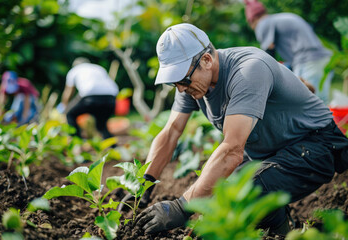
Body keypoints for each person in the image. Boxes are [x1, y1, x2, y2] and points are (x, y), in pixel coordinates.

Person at [134, 23, 348, 235]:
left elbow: (232, 150)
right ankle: (278, 221)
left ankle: (279, 231)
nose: (180, 88)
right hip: (271, 154)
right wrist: (144, 184)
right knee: (222, 195)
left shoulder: (248, 71)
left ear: (207, 60)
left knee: (242, 193)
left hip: (316, 145)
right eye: (174, 82)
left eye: (183, 79)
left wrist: (182, 207)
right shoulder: (193, 86)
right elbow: (171, 132)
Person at [244, 0, 333, 104]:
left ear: (252, 20)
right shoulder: (280, 18)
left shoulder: (263, 24)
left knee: (307, 103)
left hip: (307, 60)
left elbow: (268, 55)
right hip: (321, 58)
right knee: (321, 102)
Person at [58, 57, 119, 139]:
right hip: (111, 98)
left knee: (70, 114)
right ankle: (113, 147)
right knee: (101, 125)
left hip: (90, 96)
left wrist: (64, 105)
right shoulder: (98, 68)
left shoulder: (74, 70)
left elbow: (68, 92)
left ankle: (76, 142)